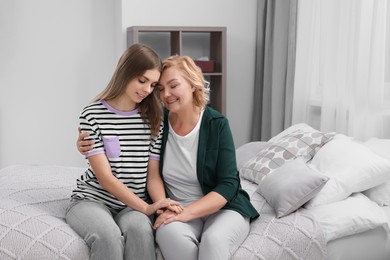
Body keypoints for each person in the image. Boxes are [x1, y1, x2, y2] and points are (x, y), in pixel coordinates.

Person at [77, 55, 259, 260]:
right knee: (170, 236)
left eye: (173, 85)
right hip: (175, 206)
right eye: (160, 88)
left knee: (213, 241)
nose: (166, 94)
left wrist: (186, 213)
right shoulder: (156, 120)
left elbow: (228, 184)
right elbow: (127, 141)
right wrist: (87, 145)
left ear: (193, 84)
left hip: (221, 207)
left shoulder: (216, 124)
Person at [67, 43, 182, 260]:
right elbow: (105, 178)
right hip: (92, 200)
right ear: (125, 72)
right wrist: (146, 208)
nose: (147, 90)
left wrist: (160, 206)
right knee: (108, 236)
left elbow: (152, 175)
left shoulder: (153, 119)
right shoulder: (92, 115)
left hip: (133, 205)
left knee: (141, 231)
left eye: (153, 84)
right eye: (142, 81)